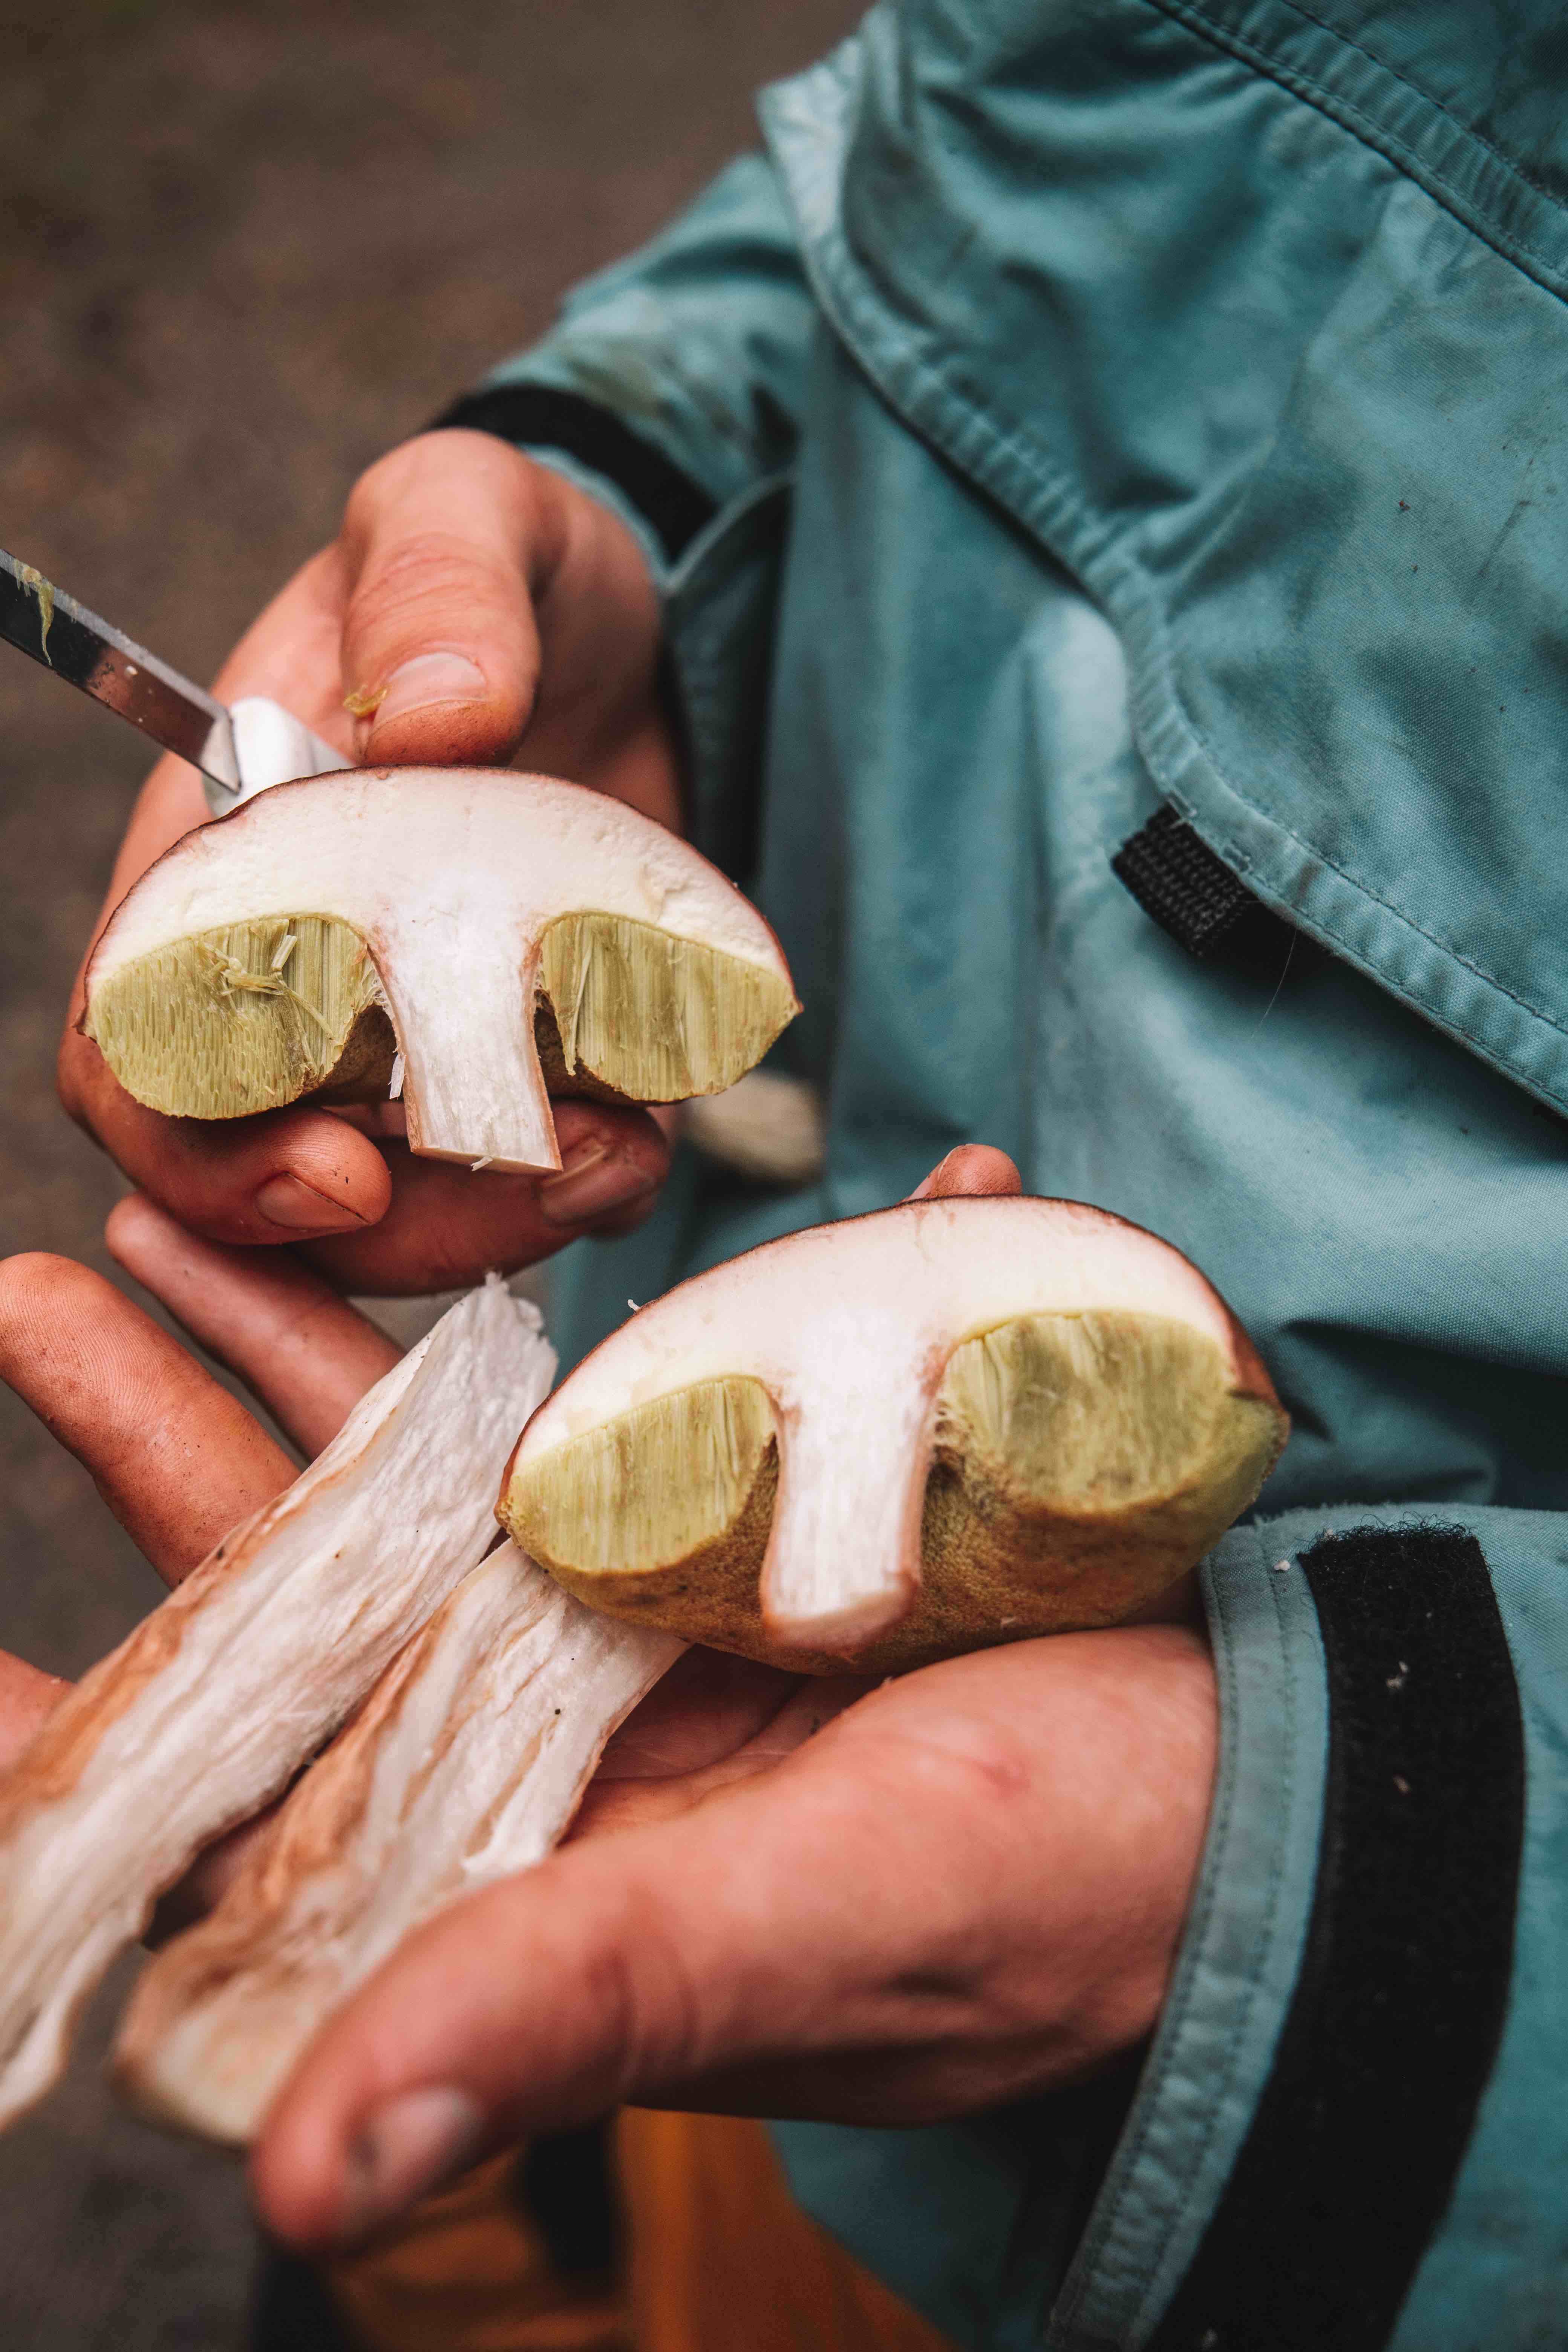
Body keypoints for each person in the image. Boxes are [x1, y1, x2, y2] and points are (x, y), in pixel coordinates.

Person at [23, 0, 1568, 2342]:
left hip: (1300, 2139)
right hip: (671, 1624)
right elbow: (1009, 155)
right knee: (404, 2208)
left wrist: (1399, 1863)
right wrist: (637, 499)